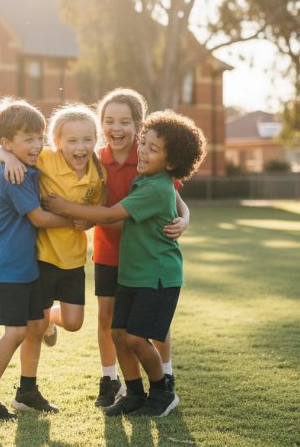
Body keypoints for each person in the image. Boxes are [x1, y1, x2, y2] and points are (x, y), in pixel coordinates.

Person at [44, 110, 207, 418]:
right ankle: (133, 393)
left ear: (171, 163)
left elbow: (108, 216)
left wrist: (64, 207)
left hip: (157, 278)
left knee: (135, 337)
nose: (142, 151)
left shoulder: (157, 187)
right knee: (118, 334)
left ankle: (162, 390)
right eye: (143, 144)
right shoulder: (145, 180)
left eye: (152, 149)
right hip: (133, 276)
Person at [0, 97, 74, 422]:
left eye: (39, 137)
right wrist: (77, 220)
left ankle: (27, 392)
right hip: (5, 268)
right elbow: (39, 218)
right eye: (29, 139)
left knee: (37, 326)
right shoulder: (15, 175)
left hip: (26, 267)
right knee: (15, 332)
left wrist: (5, 154)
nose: (37, 144)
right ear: (8, 143)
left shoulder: (26, 166)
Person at [91, 88, 190, 407]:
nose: (116, 128)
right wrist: (3, 154)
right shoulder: (95, 159)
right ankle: (110, 380)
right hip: (109, 251)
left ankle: (165, 374)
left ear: (138, 125)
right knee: (110, 320)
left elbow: (176, 201)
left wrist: (185, 220)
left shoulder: (149, 157)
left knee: (152, 326)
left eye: (124, 121)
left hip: (147, 258)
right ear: (101, 124)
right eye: (108, 121)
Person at [0, 103, 105, 337]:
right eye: (72, 141)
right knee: (36, 325)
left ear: (97, 139)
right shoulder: (45, 158)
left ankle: (52, 320)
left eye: (87, 139)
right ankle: (20, 314)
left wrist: (89, 222)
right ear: (56, 142)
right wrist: (8, 158)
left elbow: (96, 211)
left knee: (74, 323)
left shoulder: (98, 173)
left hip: (74, 258)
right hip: (42, 256)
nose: (80, 147)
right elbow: (5, 147)